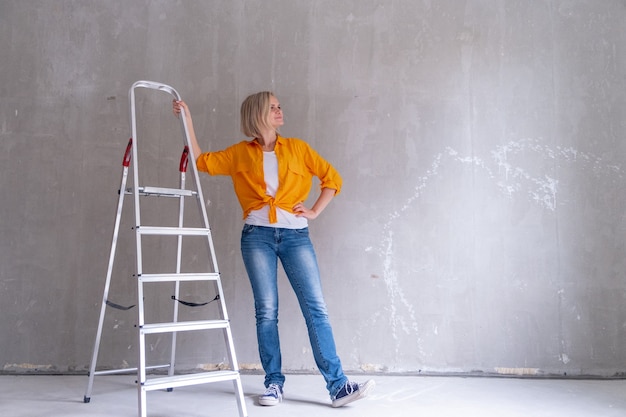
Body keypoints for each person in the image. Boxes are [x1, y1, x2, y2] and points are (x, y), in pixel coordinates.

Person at [173, 92, 374, 408]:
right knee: (266, 311)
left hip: (296, 237)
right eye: (273, 107)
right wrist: (188, 120)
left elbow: (331, 179)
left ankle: (338, 386)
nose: (280, 110)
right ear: (258, 114)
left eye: (280, 106)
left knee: (316, 307)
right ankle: (273, 384)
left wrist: (314, 211)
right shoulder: (241, 153)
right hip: (257, 237)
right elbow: (202, 162)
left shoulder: (297, 148)